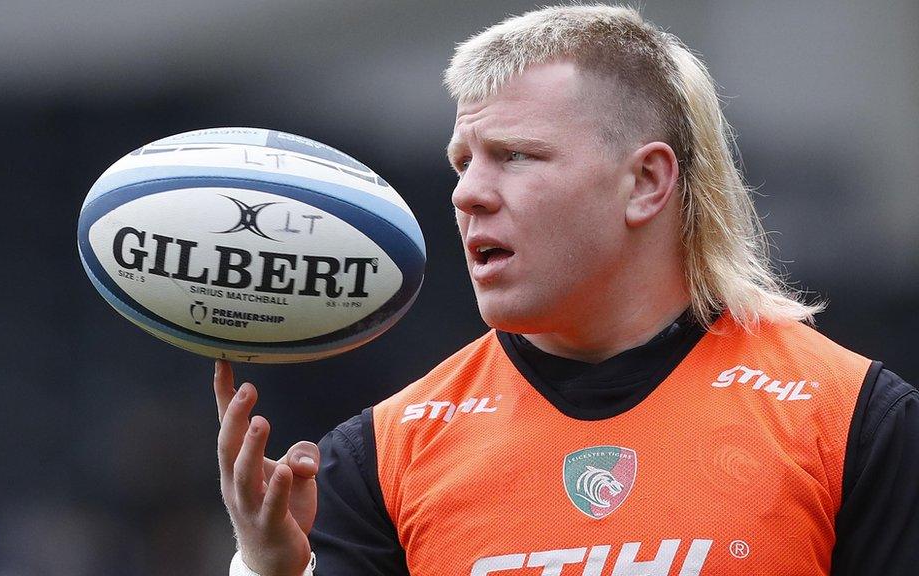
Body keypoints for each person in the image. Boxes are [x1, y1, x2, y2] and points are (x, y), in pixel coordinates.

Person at [212, 5, 918, 575]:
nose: (468, 195)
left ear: (645, 182)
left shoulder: (850, 421)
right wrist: (271, 569)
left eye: (515, 156)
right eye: (463, 163)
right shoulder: (383, 454)